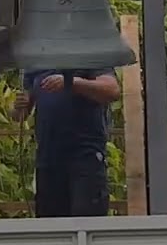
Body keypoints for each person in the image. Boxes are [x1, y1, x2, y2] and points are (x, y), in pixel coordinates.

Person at [11, 69, 120, 217]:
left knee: (86, 219)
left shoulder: (90, 52)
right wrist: (19, 107)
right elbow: (20, 115)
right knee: (51, 225)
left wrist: (71, 83)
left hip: (85, 155)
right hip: (48, 158)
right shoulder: (36, 62)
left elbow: (112, 90)